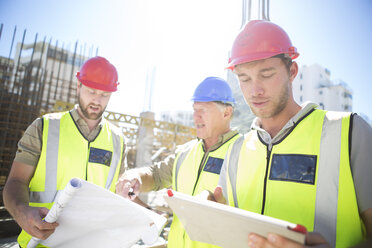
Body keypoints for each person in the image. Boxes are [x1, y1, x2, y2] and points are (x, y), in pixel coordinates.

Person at [207, 20, 372, 247]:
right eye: (244, 79)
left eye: (266, 74)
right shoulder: (236, 150)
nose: (255, 90)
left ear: (292, 71)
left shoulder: (350, 133)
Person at [3, 56, 126, 248]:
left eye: (104, 95)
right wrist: (22, 212)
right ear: (78, 86)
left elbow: (121, 193)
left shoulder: (118, 140)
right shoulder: (43, 127)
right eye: (91, 91)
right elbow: (15, 182)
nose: (96, 100)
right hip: (41, 243)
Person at [116, 76, 241, 248]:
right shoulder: (185, 152)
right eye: (194, 110)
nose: (195, 117)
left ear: (226, 113)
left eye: (203, 110)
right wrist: (135, 176)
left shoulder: (243, 152)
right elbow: (156, 175)